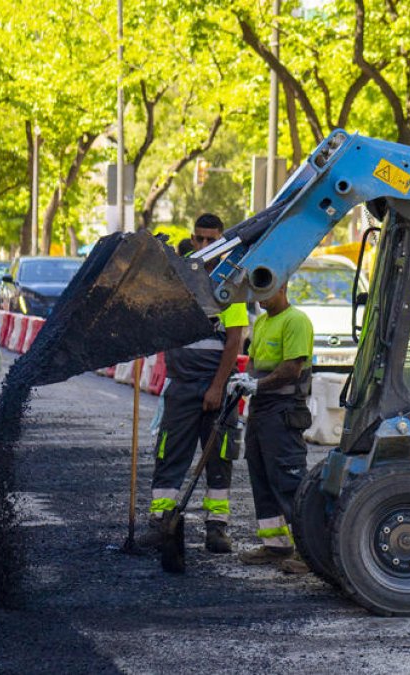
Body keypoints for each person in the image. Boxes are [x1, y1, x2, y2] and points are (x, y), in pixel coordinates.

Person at [139, 214, 248, 553]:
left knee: (219, 457)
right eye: (199, 239)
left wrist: (217, 387)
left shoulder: (229, 283)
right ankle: (161, 522)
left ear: (221, 240)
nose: (203, 246)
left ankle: (216, 528)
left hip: (215, 386)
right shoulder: (180, 280)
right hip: (181, 385)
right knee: (169, 454)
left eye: (210, 240)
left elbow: (234, 341)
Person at [226, 279, 314, 573]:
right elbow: (253, 363)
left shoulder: (296, 321)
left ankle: (309, 552)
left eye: (264, 292)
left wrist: (257, 385)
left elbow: (292, 368)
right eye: (256, 293)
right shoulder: (262, 322)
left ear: (281, 288)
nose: (259, 298)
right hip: (262, 411)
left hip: (284, 411)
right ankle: (276, 544)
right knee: (261, 476)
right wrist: (243, 383)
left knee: (288, 479)